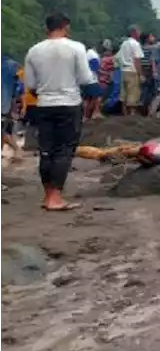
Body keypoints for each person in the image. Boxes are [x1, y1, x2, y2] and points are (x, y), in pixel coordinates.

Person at [23, 13, 95, 212]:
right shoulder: (76, 48)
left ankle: (48, 195)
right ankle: (55, 197)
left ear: (47, 28)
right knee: (63, 150)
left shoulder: (34, 51)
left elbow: (30, 84)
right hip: (69, 104)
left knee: (46, 151)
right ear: (66, 27)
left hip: (44, 105)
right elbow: (86, 79)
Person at [116, 26, 145, 116]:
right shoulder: (136, 44)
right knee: (133, 94)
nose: (140, 34)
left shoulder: (124, 43)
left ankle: (124, 114)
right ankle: (131, 115)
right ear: (134, 33)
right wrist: (141, 74)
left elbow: (118, 57)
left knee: (124, 95)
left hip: (124, 70)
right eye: (139, 31)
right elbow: (137, 60)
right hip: (132, 71)